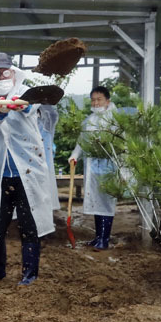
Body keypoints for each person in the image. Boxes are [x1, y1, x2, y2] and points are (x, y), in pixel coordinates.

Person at [0, 52, 54, 286]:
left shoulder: (25, 90)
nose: (0, 76)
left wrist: (22, 105)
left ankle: (30, 273)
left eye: (4, 71)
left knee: (29, 225)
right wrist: (0, 111)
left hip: (26, 173)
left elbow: (33, 107)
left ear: (12, 71)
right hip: (1, 175)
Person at [68, 86, 117, 250]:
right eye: (93, 100)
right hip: (92, 167)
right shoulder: (89, 121)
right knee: (97, 201)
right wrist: (75, 156)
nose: (96, 103)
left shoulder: (115, 121)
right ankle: (98, 237)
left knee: (106, 202)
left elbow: (123, 147)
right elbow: (81, 143)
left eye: (99, 99)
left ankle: (104, 239)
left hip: (109, 168)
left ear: (107, 101)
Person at [37, 105, 60, 211]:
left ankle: (45, 222)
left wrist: (41, 102)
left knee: (45, 198)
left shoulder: (46, 127)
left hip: (45, 168)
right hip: (28, 169)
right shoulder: (23, 128)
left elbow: (53, 115)